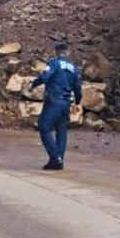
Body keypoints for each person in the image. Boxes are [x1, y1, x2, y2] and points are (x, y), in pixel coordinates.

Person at [30, 42, 83, 170]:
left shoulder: (54, 63)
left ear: (56, 52)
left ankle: (55, 158)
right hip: (66, 103)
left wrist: (34, 84)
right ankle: (59, 161)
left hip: (54, 100)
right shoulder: (73, 68)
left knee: (44, 126)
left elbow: (45, 76)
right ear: (68, 53)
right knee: (61, 130)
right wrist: (77, 102)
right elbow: (77, 87)